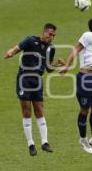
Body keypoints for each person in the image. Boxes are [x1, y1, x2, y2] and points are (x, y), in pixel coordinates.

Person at [4, 23, 65, 156]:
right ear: (43, 32)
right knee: (27, 110)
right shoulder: (30, 40)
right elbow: (17, 48)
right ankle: (31, 144)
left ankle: (44, 142)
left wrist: (57, 66)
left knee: (39, 110)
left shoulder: (51, 48)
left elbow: (48, 68)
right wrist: (11, 52)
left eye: (54, 35)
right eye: (50, 34)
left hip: (37, 79)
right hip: (24, 78)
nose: (52, 37)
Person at [59, 18, 92, 154]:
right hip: (85, 78)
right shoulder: (89, 35)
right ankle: (83, 139)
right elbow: (75, 49)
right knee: (85, 109)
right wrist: (67, 66)